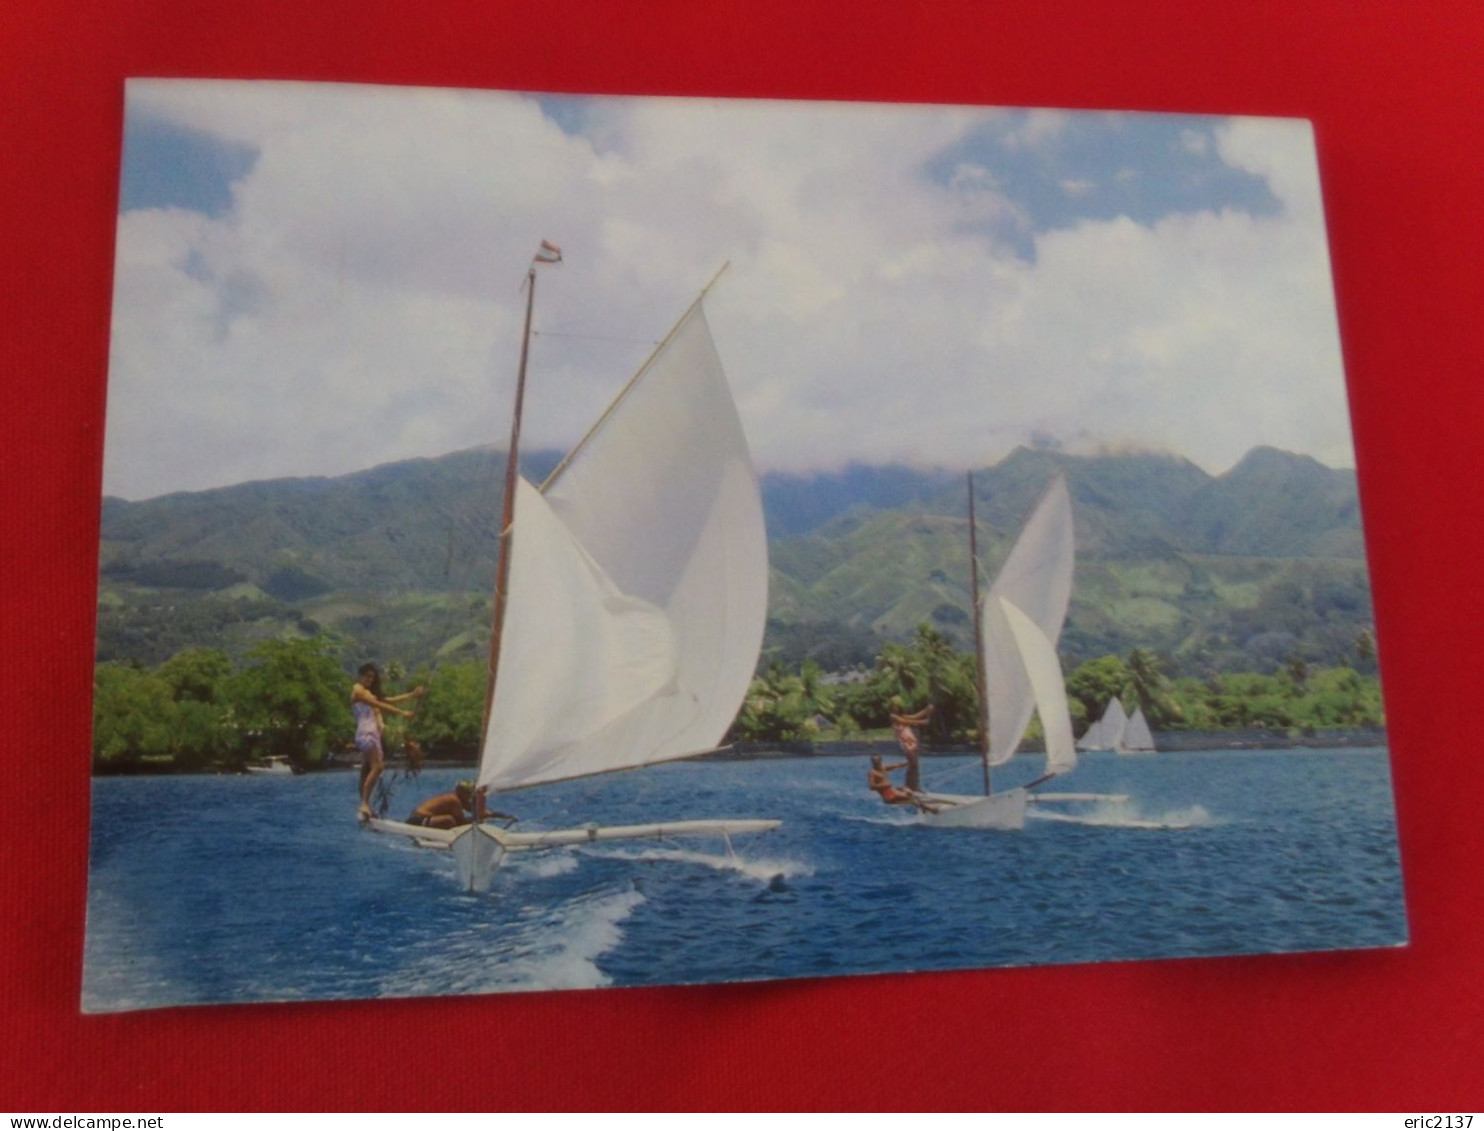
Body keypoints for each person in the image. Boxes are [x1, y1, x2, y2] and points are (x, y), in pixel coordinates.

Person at [353, 663, 424, 821]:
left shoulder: (368, 692)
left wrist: (412, 695)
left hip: (373, 734)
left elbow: (388, 700)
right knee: (378, 767)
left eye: (372, 677)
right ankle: (364, 803)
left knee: (367, 769)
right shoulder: (357, 689)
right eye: (367, 676)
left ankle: (367, 806)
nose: (370, 680)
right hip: (366, 733)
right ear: (360, 675)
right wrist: (401, 713)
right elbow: (378, 704)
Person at [404, 781, 517, 829]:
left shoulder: (460, 800)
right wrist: (479, 822)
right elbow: (461, 822)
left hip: (424, 819)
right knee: (450, 820)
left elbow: (480, 812)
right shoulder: (454, 801)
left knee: (453, 820)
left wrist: (503, 816)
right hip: (417, 820)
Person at [866, 752, 938, 814]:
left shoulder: (883, 768)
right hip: (888, 796)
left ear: (881, 760)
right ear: (872, 762)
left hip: (892, 791)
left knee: (907, 790)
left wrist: (909, 762)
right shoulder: (872, 773)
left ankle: (921, 805)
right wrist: (885, 785)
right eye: (874, 761)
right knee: (911, 797)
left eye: (877, 761)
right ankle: (929, 809)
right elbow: (872, 787)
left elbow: (896, 765)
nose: (876, 763)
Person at [889, 697, 934, 791]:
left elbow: (915, 716)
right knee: (912, 763)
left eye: (896, 706)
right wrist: (923, 722)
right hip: (905, 742)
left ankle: (915, 786)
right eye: (893, 706)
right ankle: (908, 786)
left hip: (911, 740)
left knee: (915, 764)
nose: (895, 708)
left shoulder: (902, 715)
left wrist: (927, 710)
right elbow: (906, 722)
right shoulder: (893, 716)